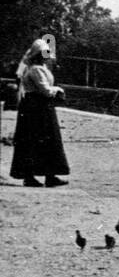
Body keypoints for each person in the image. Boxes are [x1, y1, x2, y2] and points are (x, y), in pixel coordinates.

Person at [9, 38, 70, 187]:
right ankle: (31, 177)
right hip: (37, 107)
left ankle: (49, 175)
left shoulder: (40, 67)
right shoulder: (36, 69)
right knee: (37, 140)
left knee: (46, 140)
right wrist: (58, 90)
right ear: (38, 54)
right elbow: (46, 90)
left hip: (39, 107)